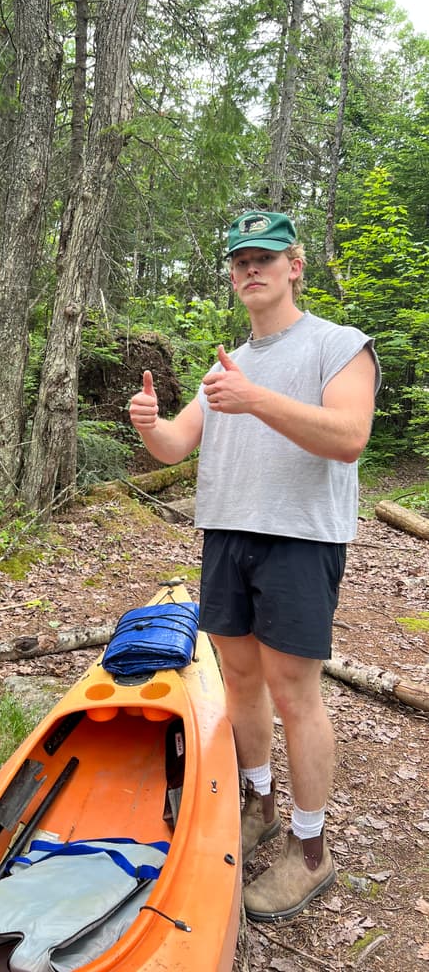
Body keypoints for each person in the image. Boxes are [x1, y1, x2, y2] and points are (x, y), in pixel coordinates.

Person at [129, 210, 380, 921]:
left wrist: (256, 398)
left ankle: (311, 849)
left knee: (295, 693)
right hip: (226, 536)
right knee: (240, 681)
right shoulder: (223, 366)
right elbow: (175, 446)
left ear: (294, 266)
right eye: (240, 261)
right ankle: (261, 804)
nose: (250, 270)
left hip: (299, 539)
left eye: (264, 258)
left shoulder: (338, 345)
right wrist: (149, 424)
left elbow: (350, 437)